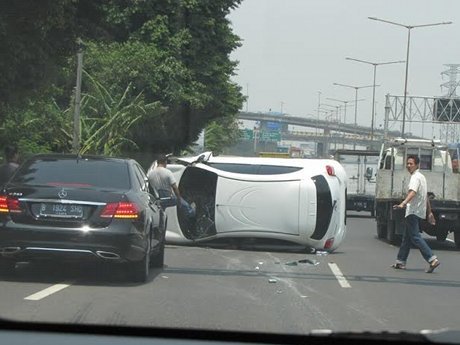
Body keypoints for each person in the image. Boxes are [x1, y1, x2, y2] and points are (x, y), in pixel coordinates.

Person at [392, 155, 440, 273]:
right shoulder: (422, 177)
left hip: (412, 211)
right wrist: (429, 212)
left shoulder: (415, 178)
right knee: (407, 238)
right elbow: (426, 198)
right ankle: (400, 261)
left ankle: (432, 259)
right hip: (419, 212)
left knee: (415, 237)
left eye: (411, 164)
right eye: (407, 164)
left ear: (417, 165)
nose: (408, 166)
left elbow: (412, 192)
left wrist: (403, 203)